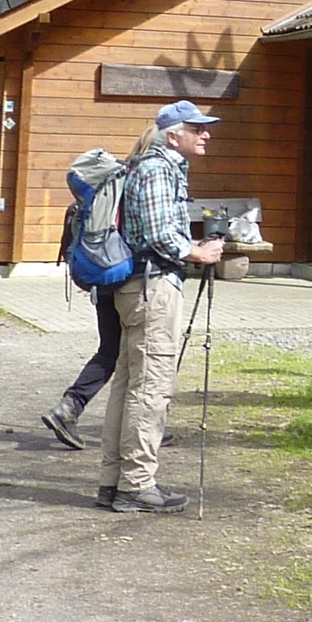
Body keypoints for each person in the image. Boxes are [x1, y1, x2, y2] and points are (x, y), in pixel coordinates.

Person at [98, 100, 225, 513]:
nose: (206, 134)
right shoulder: (155, 169)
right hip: (152, 288)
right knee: (150, 387)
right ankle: (135, 485)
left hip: (140, 287)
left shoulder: (154, 166)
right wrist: (198, 253)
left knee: (130, 382)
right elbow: (158, 235)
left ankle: (114, 481)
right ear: (175, 135)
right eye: (197, 128)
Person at [43, 125, 163, 451]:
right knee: (140, 356)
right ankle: (146, 425)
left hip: (102, 274)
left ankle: (69, 407)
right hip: (129, 278)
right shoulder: (145, 181)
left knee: (110, 350)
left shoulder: (110, 181)